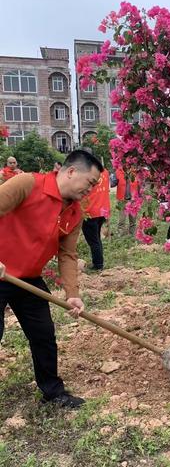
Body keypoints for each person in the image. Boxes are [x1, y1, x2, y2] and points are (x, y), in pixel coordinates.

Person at [0, 150, 103, 408]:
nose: (90, 190)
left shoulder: (74, 213)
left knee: (43, 334)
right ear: (70, 172)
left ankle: (53, 393)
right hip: (0, 272)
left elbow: (67, 254)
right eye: (89, 183)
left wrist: (73, 293)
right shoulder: (27, 185)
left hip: (29, 280)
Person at [81, 167, 111, 271]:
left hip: (90, 211)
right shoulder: (105, 171)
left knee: (93, 240)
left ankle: (98, 264)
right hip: (102, 209)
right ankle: (99, 262)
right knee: (96, 238)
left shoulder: (86, 171)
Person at [115, 167, 137, 236]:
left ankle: (132, 233)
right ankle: (120, 233)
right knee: (122, 219)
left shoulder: (135, 171)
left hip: (133, 199)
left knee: (133, 219)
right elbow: (113, 183)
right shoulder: (118, 171)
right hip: (122, 200)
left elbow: (139, 184)